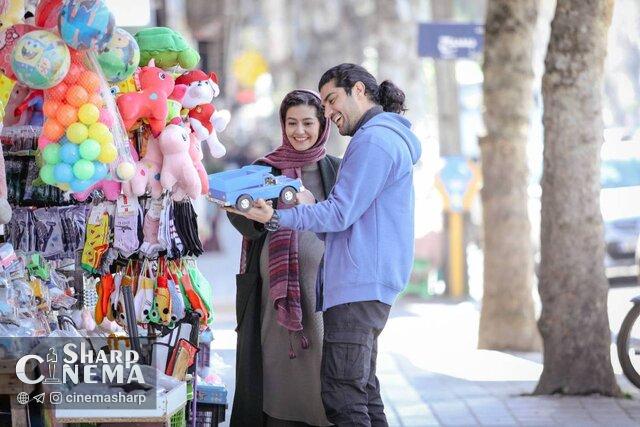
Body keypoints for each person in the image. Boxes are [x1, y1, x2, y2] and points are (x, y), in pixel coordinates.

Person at [233, 63, 422, 426]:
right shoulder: (378, 139)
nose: (330, 111)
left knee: (342, 393)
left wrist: (276, 218)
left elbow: (339, 214)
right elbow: (349, 221)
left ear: (359, 92)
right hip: (359, 285)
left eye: (332, 100)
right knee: (362, 390)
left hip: (356, 286)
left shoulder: (374, 141)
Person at [227, 89, 340, 426]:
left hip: (323, 291)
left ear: (322, 125)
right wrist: (252, 213)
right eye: (292, 123)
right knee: (276, 374)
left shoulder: (336, 170)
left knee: (323, 373)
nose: (299, 131)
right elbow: (243, 222)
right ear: (283, 124)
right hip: (274, 294)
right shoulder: (264, 169)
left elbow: (347, 220)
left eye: (308, 122)